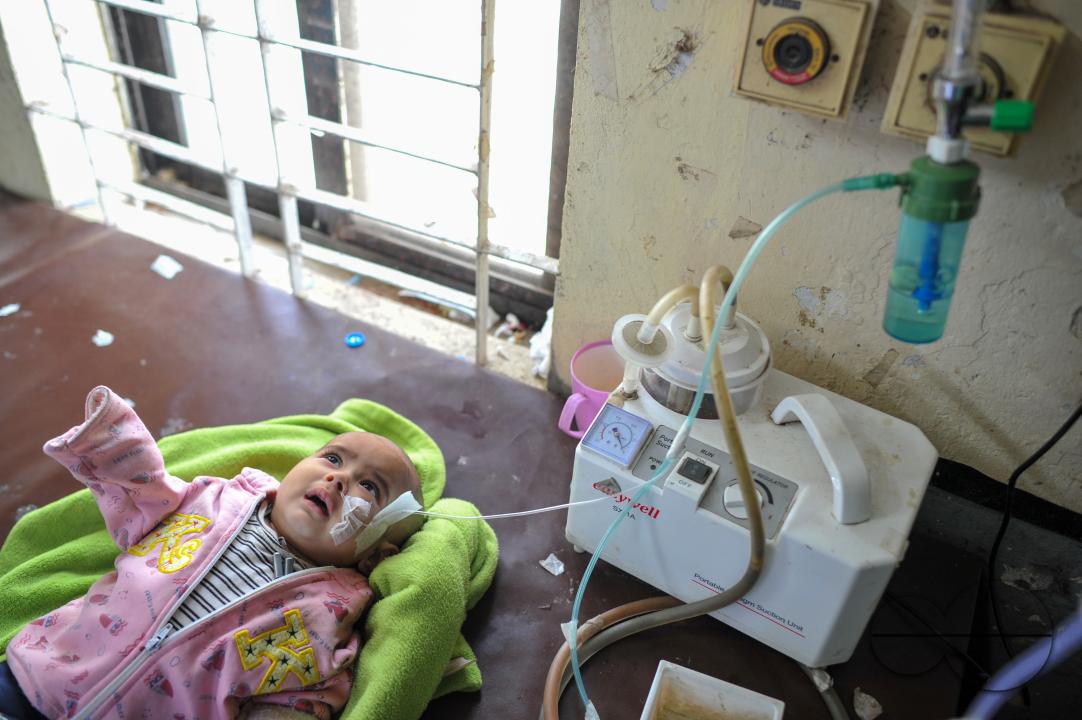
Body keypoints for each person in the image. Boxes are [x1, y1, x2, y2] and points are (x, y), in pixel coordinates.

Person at [0, 385, 424, 720]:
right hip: (40, 672)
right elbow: (147, 500)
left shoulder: (329, 615)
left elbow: (304, 693)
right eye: (333, 458)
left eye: (369, 487)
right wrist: (113, 444)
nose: (337, 479)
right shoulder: (217, 500)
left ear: (374, 557)